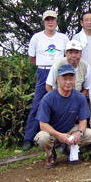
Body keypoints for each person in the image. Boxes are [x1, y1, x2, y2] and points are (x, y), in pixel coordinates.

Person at [23, 10, 69, 150]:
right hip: (43, 71)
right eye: (47, 19)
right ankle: (28, 138)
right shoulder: (36, 37)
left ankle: (60, 138)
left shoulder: (63, 38)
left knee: (62, 104)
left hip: (60, 72)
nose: (50, 22)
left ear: (56, 21)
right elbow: (32, 58)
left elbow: (67, 55)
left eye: (53, 19)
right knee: (38, 104)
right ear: (43, 21)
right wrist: (44, 65)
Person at [34, 64, 91, 169]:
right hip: (52, 132)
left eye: (71, 79)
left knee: (90, 134)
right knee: (42, 137)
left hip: (70, 130)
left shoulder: (79, 97)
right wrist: (59, 135)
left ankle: (69, 148)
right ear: (58, 79)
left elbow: (83, 120)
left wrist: (79, 133)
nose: (68, 82)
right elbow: (42, 124)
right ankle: (50, 155)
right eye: (64, 79)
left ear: (75, 79)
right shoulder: (48, 98)